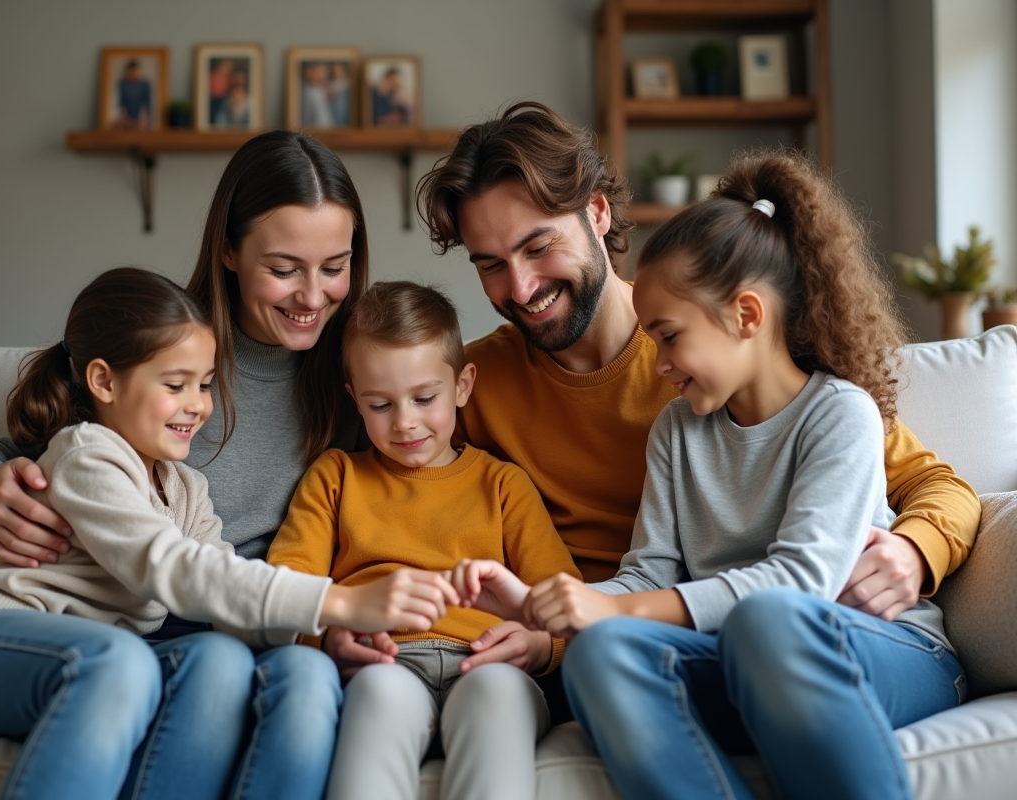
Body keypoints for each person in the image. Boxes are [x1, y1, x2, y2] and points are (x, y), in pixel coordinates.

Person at [317, 101, 979, 686]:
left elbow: (939, 487)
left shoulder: (723, 357)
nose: (518, 288)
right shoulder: (470, 387)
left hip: (723, 627)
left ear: (597, 214)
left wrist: (915, 551)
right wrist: (342, 617)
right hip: (591, 644)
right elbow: (387, 495)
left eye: (537, 246)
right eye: (489, 264)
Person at [451, 151, 965, 800]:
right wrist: (545, 609)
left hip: (873, 648)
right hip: (732, 653)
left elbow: (805, 580)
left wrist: (919, 548)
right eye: (490, 264)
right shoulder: (677, 426)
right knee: (601, 653)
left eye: (667, 338)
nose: (657, 360)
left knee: (769, 620)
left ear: (747, 316)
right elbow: (650, 569)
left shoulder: (839, 411)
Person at [0, 267, 458, 800]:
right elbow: (172, 568)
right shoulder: (88, 455)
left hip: (100, 658)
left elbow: (228, 599)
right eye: (176, 384)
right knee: (118, 662)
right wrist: (339, 599)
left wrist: (323, 637)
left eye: (205, 385)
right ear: (105, 381)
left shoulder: (186, 489)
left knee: (230, 660)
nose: (198, 406)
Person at [0, 131, 375, 798]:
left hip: (242, 623)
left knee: (308, 679)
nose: (313, 297)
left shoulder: (359, 374)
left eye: (335, 266)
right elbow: (39, 437)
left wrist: (331, 621)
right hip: (129, 622)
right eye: (285, 268)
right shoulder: (170, 342)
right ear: (229, 250)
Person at [267, 281, 580, 800]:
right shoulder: (336, 476)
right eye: (381, 405)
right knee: (380, 703)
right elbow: (287, 586)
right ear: (355, 400)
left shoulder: (502, 485)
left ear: (462, 385)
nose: (406, 422)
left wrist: (543, 645)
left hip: (489, 661)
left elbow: (562, 597)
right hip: (386, 662)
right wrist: (328, 636)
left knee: (497, 699)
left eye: (425, 398)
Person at [115, 59, 151, 131]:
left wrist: (144, 116)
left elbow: (147, 102)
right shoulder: (123, 85)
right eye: (131, 72)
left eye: (135, 72)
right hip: (126, 118)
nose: (133, 74)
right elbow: (120, 102)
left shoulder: (145, 85)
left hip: (141, 118)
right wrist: (122, 116)